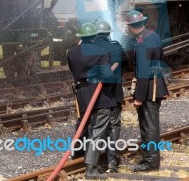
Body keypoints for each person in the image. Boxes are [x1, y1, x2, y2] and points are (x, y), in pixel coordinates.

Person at [67, 23, 116, 179]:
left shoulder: (71, 52)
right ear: (95, 36)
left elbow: (74, 71)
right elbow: (107, 76)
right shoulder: (101, 51)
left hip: (82, 95)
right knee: (97, 132)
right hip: (99, 96)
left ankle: (76, 155)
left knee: (84, 127)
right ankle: (91, 169)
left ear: (80, 37)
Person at [125, 10, 169, 172]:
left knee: (149, 126)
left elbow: (143, 73)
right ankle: (149, 158)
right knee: (150, 124)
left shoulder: (142, 43)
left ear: (130, 26)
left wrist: (139, 98)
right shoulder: (154, 36)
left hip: (149, 89)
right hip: (156, 84)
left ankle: (150, 162)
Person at [93, 20, 125, 173]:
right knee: (114, 125)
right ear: (108, 33)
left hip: (97, 95)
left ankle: (97, 161)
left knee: (98, 127)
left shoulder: (90, 49)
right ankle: (112, 162)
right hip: (115, 92)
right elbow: (127, 62)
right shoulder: (116, 46)